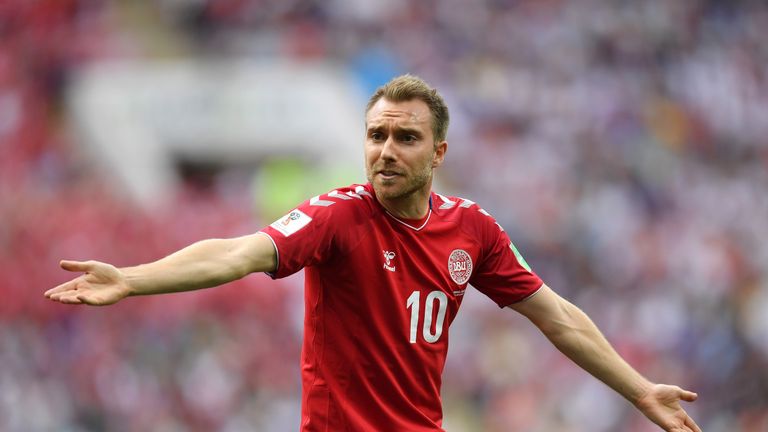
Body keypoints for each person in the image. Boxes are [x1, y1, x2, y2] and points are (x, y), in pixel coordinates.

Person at [45, 75, 701, 432]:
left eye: (405, 137)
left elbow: (557, 316)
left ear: (438, 154)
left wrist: (639, 390)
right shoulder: (338, 216)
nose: (386, 148)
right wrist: (132, 278)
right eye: (376, 134)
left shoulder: (474, 231)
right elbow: (239, 253)